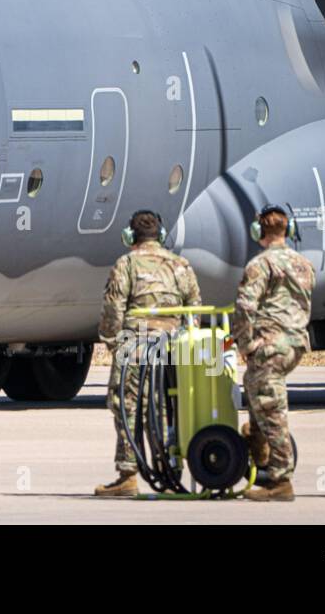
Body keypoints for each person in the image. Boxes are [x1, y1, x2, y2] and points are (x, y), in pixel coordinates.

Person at [95, 209, 201, 497]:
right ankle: (169, 469)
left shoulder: (126, 264)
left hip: (136, 345)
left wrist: (111, 340)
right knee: (167, 406)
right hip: (173, 346)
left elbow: (113, 308)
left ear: (130, 236)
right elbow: (194, 307)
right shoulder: (181, 265)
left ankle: (128, 473)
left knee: (126, 406)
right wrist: (188, 343)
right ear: (161, 235)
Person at [233, 205, 316, 502]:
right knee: (258, 393)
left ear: (259, 232)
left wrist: (245, 344)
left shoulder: (260, 264)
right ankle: (259, 448)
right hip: (294, 345)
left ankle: (281, 481)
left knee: (273, 410)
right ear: (288, 231)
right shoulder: (304, 264)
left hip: (270, 345)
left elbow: (245, 307)